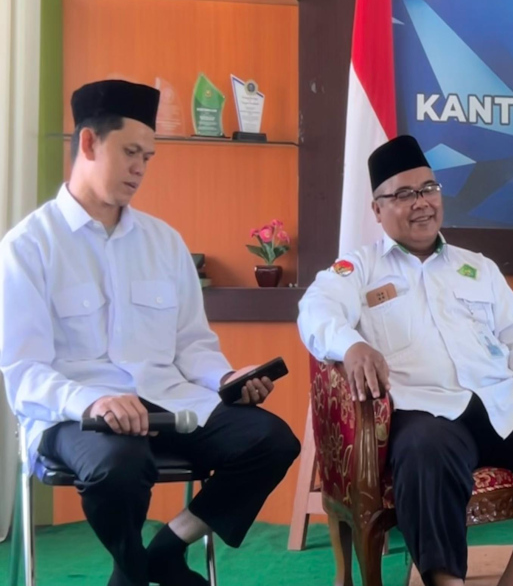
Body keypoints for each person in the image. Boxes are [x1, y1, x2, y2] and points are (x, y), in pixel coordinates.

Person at [0, 79, 301, 586]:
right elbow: (24, 371)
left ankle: (165, 550)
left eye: (148, 156)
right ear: (89, 143)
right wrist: (93, 402)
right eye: (130, 152)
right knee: (119, 465)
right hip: (75, 416)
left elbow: (192, 344)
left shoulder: (164, 242)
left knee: (271, 441)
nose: (140, 168)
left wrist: (226, 378)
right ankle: (134, 571)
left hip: (168, 399)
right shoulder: (28, 246)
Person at [297, 135, 513, 586]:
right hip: (425, 411)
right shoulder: (358, 270)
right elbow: (315, 311)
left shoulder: (477, 266)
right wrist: (351, 345)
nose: (421, 203)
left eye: (428, 189)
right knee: (425, 454)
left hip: (500, 404)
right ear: (377, 209)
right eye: (404, 194)